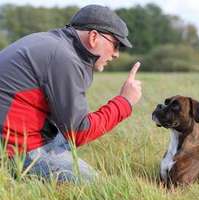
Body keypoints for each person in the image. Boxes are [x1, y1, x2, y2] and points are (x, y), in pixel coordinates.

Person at [0, 4, 142, 183]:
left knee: (66, 140)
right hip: (14, 149)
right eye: (116, 44)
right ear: (93, 37)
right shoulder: (65, 58)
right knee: (99, 187)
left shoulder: (54, 44)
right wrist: (124, 102)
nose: (116, 54)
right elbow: (78, 132)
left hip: (22, 133)